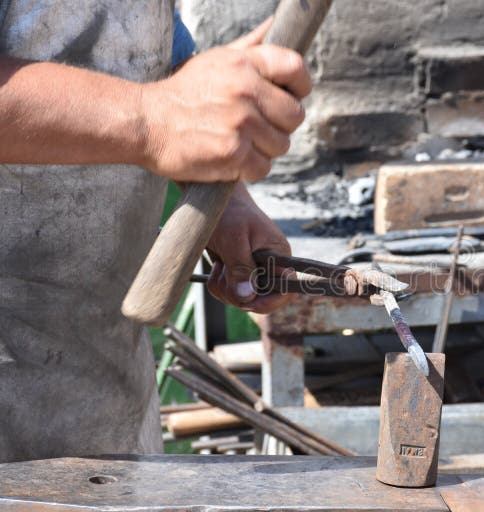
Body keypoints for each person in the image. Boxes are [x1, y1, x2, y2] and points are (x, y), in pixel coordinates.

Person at [0, 2, 309, 462]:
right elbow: (162, 108)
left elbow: (156, 54)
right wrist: (154, 119)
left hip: (104, 388)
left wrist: (224, 203)